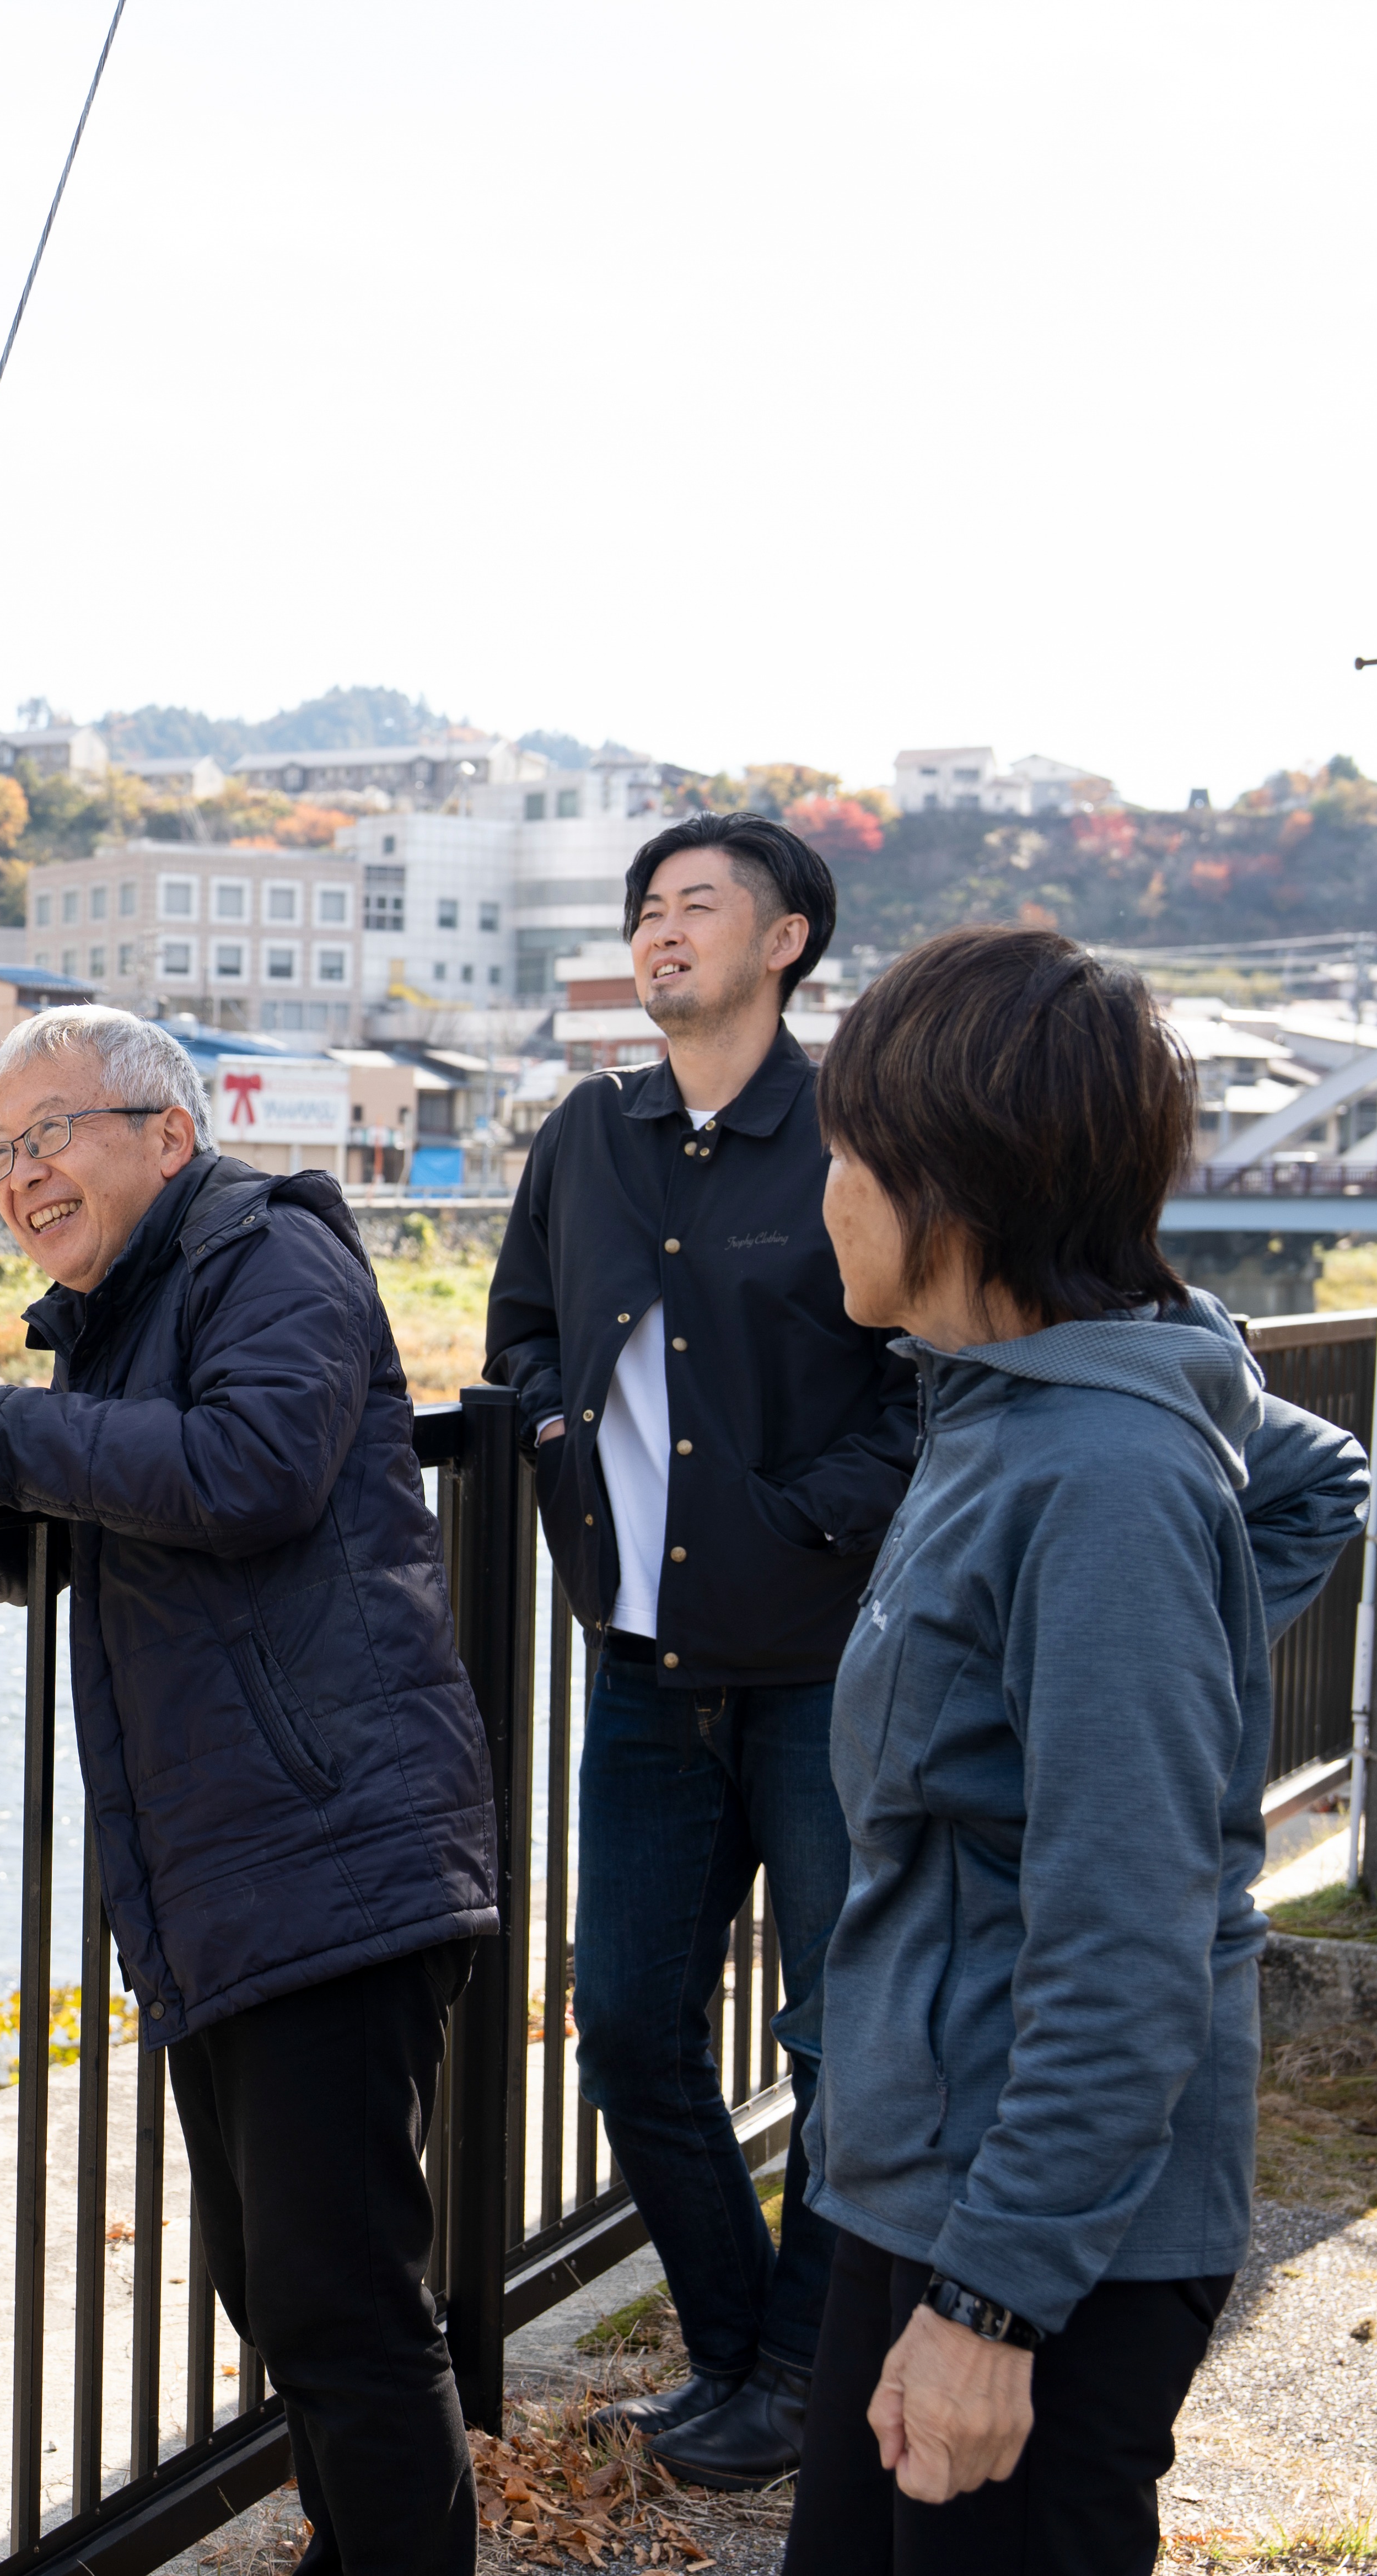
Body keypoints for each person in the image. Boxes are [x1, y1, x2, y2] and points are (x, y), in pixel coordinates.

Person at [0, 1005, 499, 2575]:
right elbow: (105, 1541)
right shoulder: (127, 1311)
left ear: (169, 1133)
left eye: (50, 1134)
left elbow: (248, 1473)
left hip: (332, 1851)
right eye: (0, 1152)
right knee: (276, 2290)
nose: (23, 1176)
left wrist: (0, 1423)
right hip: (235, 1874)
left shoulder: (268, 1252)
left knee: (342, 2302)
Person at [786, 925, 1364, 2572]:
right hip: (941, 2175)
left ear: (953, 1185)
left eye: (846, 1153)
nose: (826, 1195)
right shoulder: (1001, 1404)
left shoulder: (1103, 1479)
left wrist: (992, 2302)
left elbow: (1128, 1944)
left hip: (1037, 2240)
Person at [482, 814, 917, 2486]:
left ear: (786, 940)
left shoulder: (864, 1129)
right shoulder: (590, 1133)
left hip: (819, 1666)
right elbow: (524, 1331)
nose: (661, 932)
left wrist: (799, 1520)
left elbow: (923, 1376)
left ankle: (801, 2372)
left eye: (698, 907)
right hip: (645, 1671)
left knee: (841, 2042)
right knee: (628, 2028)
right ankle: (744, 2355)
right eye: (646, 911)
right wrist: (548, 1435)